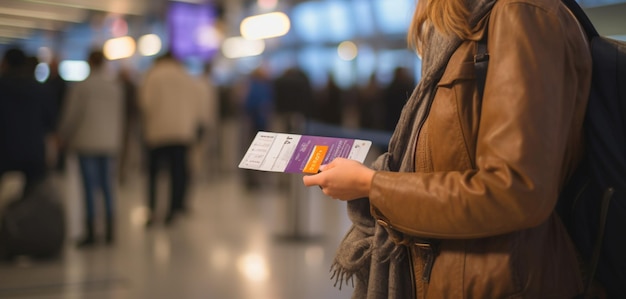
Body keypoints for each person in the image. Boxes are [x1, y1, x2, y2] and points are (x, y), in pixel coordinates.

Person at [302, 0, 593, 296]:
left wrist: (372, 185)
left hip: (500, 281)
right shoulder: (462, 35)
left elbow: (515, 189)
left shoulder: (520, 13)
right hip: (455, 274)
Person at [57, 50, 124, 247]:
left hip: (86, 141)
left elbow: (71, 114)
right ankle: (111, 229)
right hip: (109, 142)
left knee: (89, 188)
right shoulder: (114, 87)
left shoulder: (82, 86)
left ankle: (92, 231)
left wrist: (62, 135)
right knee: (107, 186)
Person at [139, 51, 205, 226]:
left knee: (154, 174)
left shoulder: (153, 75)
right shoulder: (186, 76)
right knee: (178, 172)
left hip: (157, 131)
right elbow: (197, 105)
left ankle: (153, 210)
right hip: (182, 132)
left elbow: (145, 103)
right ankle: (173, 210)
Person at [0, 47, 56, 196]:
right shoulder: (40, 89)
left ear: (4, 63)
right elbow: (51, 121)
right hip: (33, 152)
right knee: (32, 197)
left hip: (4, 150)